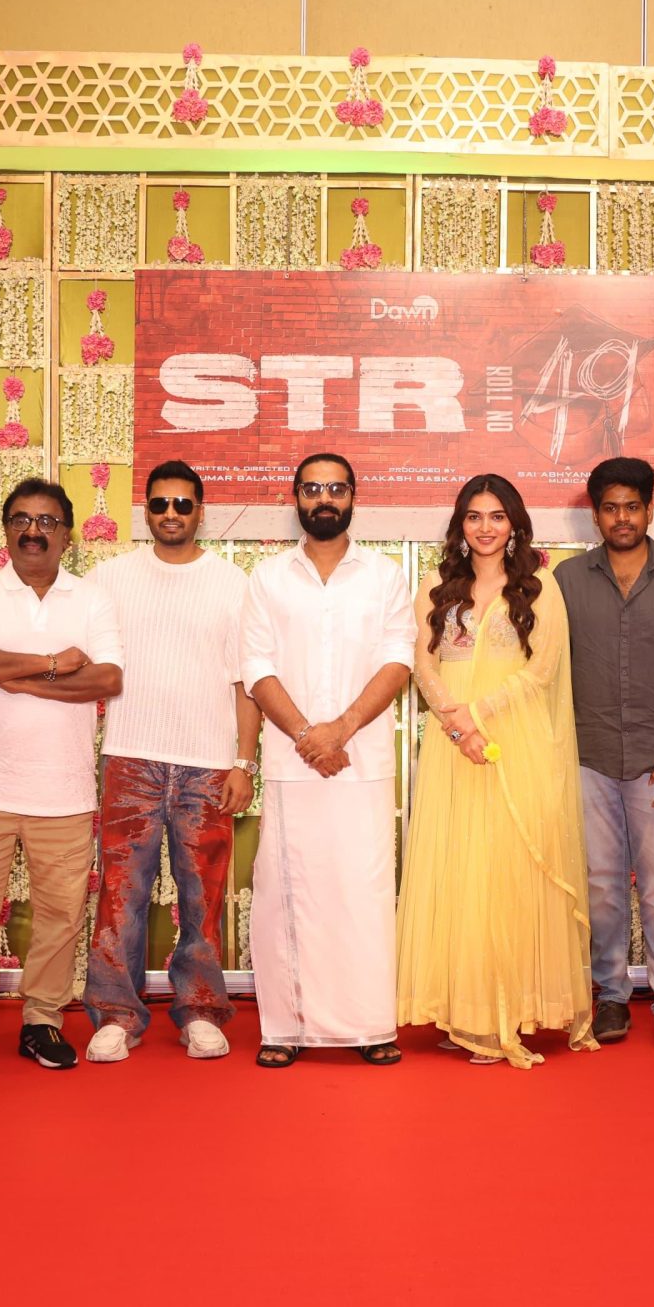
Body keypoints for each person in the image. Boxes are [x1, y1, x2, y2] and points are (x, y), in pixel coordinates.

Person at [399, 475, 596, 1067]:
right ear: (461, 525)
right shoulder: (437, 584)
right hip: (453, 748)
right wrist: (457, 725)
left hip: (518, 742)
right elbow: (422, 663)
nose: (485, 527)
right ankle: (467, 1010)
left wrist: (479, 713)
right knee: (461, 871)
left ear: (514, 525)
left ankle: (508, 1013)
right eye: (475, 516)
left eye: (497, 516)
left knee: (510, 871)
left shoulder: (539, 586)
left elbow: (543, 668)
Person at [0, 479, 123, 1075]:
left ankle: (43, 1019)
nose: (33, 531)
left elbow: (107, 679)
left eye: (47, 521)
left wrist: (11, 676)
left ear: (67, 534)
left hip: (62, 792)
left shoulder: (90, 599)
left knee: (60, 916)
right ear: (6, 530)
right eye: (21, 519)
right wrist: (50, 664)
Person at [241, 454, 416, 1066]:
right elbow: (255, 666)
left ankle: (370, 1026)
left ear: (353, 497)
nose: (324, 499)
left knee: (361, 895)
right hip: (291, 763)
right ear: (295, 496)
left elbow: (398, 660)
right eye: (313, 488)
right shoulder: (268, 578)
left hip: (360, 762)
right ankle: (285, 1029)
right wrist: (305, 734)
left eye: (336, 489)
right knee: (285, 896)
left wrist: (340, 730)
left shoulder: (384, 576)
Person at [82, 460, 259, 1063]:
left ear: (200, 512)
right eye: (160, 504)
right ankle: (115, 1014)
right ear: (146, 511)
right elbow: (59, 620)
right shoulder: (109, 578)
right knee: (120, 895)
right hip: (130, 757)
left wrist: (243, 762)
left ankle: (201, 1010)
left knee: (202, 897)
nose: (171, 514)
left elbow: (246, 681)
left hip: (208, 763)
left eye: (183, 504)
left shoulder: (232, 584)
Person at [553, 456, 654, 1053]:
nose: (621, 518)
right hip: (589, 756)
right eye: (610, 508)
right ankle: (611, 995)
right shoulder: (567, 581)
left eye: (632, 506)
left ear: (650, 511)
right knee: (600, 885)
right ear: (595, 515)